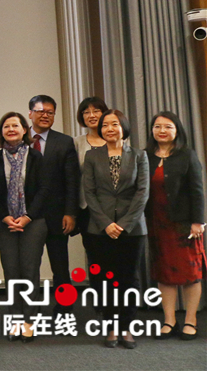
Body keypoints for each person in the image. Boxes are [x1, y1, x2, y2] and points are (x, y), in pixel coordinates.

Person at [82, 109, 148, 349]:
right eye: (105, 125)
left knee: (129, 278)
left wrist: (124, 224)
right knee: (105, 279)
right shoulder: (92, 156)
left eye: (114, 124)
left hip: (132, 229)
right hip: (100, 228)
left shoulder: (139, 155)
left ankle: (127, 326)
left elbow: (142, 193)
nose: (109, 129)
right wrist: (106, 223)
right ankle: (111, 326)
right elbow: (89, 193)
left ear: (124, 127)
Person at [144, 111, 205, 341]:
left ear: (177, 130)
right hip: (156, 224)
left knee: (191, 274)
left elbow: (197, 191)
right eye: (157, 126)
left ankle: (190, 320)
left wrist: (198, 221)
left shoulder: (186, 155)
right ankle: (169, 320)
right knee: (164, 274)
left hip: (184, 226)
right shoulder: (145, 156)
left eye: (168, 126)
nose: (162, 130)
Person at [0, 112, 49, 342]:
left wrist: (27, 216)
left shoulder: (36, 156)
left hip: (33, 221)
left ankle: (29, 321)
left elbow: (44, 190)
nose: (11, 129)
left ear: (25, 130)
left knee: (29, 270)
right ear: (2, 131)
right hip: (5, 221)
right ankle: (15, 320)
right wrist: (5, 216)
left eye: (15, 125)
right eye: (6, 126)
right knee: (11, 272)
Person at [28, 95, 79, 310]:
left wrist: (70, 212)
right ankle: (31, 310)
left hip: (56, 214)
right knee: (29, 266)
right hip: (27, 215)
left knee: (60, 265)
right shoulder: (19, 139)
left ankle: (64, 310)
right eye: (40, 111)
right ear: (30, 113)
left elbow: (72, 180)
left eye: (50, 112)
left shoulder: (64, 142)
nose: (45, 115)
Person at [73, 97, 108, 244]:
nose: (91, 115)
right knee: (92, 248)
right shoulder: (76, 142)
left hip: (112, 205)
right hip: (86, 206)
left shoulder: (118, 140)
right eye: (86, 112)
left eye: (96, 111)